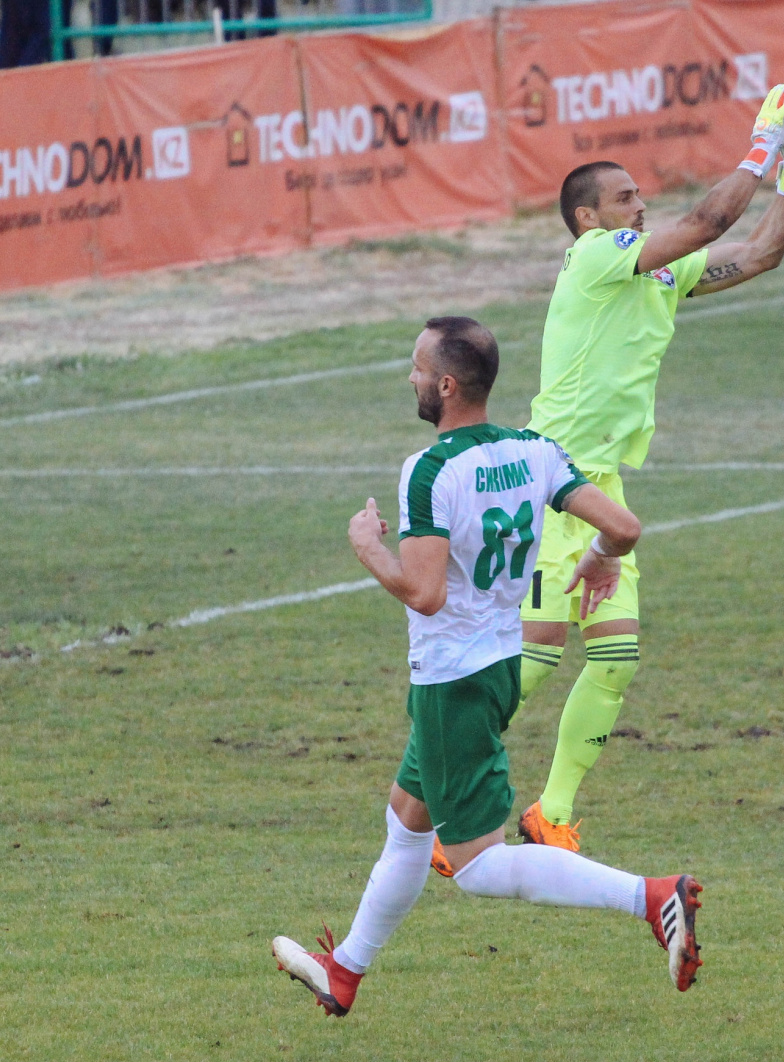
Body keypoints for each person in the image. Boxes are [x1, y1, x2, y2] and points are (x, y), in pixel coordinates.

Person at [271, 316, 704, 1017]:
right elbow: (623, 529)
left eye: (417, 368)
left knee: (475, 867)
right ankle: (344, 970)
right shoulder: (535, 450)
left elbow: (425, 593)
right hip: (501, 665)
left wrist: (367, 549)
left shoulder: (429, 469)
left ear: (445, 385)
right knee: (407, 820)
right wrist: (598, 559)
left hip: (452, 681)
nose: (410, 378)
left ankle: (651, 897)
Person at [468, 82, 784, 855]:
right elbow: (708, 222)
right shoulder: (596, 259)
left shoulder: (657, 272)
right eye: (624, 197)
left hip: (601, 484)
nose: (639, 205)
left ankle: (550, 813)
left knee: (616, 658)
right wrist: (762, 143)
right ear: (586, 219)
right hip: (548, 480)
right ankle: (437, 797)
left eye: (639, 195)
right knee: (533, 660)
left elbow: (758, 253)